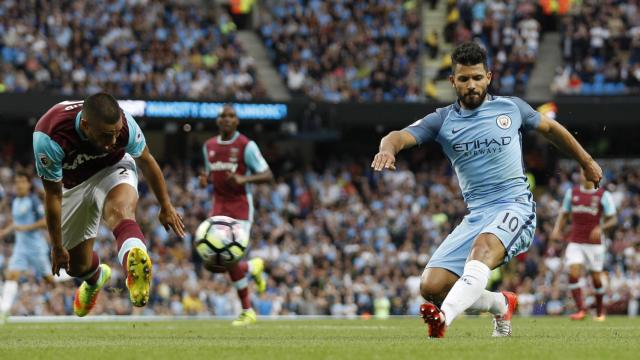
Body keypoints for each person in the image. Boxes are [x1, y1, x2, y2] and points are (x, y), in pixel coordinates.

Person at [371, 42, 602, 338]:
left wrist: (586, 161)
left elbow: (552, 130)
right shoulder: (442, 120)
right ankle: (501, 303)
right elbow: (397, 136)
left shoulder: (512, 108)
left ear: (489, 77)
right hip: (477, 214)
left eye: (477, 78)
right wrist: (388, 151)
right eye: (464, 79)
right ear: (453, 81)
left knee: (481, 252)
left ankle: (443, 320)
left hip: (515, 206)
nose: (472, 85)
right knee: (432, 286)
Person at [33, 93, 185, 317]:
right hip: (74, 185)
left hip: (113, 168)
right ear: (85, 125)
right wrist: (57, 246)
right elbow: (53, 195)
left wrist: (166, 205)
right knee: (76, 267)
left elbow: (146, 160)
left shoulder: (124, 125)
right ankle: (95, 279)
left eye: (116, 133)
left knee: (120, 211)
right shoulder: (50, 136)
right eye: (106, 135)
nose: (113, 142)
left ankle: (135, 266)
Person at [199, 104, 273, 326]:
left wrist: (244, 179)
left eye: (231, 116)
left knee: (229, 259)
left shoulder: (246, 145)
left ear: (237, 121)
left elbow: (268, 174)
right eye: (223, 116)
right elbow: (211, 175)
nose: (227, 119)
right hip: (218, 208)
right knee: (213, 263)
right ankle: (253, 267)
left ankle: (247, 310)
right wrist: (205, 180)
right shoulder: (209, 146)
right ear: (218, 121)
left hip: (240, 208)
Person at [551, 168, 617, 321]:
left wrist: (601, 227)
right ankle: (581, 309)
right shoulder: (572, 193)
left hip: (594, 244)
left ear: (594, 175)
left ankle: (600, 311)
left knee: (596, 278)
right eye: (582, 172)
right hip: (575, 241)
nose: (584, 175)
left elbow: (613, 218)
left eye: (586, 172)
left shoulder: (603, 195)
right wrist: (556, 229)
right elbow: (564, 213)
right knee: (573, 271)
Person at [0, 172, 52, 321]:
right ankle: (4, 311)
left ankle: (73, 274)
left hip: (36, 247)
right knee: (12, 275)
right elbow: (17, 223)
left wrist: (25, 228)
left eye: (22, 181)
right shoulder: (16, 201)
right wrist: (5, 231)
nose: (19, 185)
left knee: (49, 279)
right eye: (17, 182)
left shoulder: (34, 201)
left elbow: (44, 222)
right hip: (20, 247)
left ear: (29, 184)